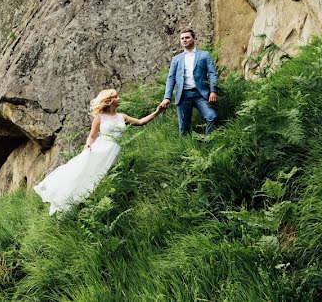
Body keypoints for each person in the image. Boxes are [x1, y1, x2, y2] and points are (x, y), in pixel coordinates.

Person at [35, 88, 163, 214]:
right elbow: (92, 136)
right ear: (110, 100)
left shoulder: (122, 116)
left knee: (103, 177)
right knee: (85, 175)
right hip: (99, 149)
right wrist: (88, 145)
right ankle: (74, 201)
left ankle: (98, 202)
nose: (119, 99)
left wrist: (157, 111)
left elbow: (140, 122)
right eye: (116, 97)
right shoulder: (100, 118)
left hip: (113, 151)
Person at [160, 29, 219, 136]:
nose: (184, 40)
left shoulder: (205, 55)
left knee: (212, 116)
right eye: (182, 38)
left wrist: (213, 91)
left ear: (194, 38)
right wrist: (167, 97)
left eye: (187, 37)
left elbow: (212, 74)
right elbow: (171, 78)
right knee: (184, 128)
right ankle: (186, 150)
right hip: (183, 96)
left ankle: (209, 142)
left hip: (201, 94)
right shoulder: (176, 59)